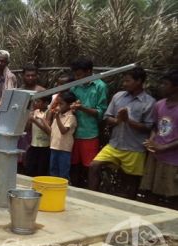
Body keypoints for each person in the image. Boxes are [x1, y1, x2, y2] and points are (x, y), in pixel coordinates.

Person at [88, 67, 155, 197]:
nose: (124, 84)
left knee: (131, 181)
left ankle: (128, 206)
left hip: (134, 148)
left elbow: (148, 127)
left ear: (139, 81)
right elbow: (107, 117)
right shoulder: (118, 96)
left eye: (127, 81)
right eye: (124, 81)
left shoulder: (149, 102)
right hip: (114, 145)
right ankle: (92, 198)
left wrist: (127, 121)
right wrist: (118, 120)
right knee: (94, 166)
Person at [69, 57, 108, 187]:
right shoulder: (74, 87)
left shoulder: (100, 86)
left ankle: (91, 195)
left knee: (90, 167)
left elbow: (101, 112)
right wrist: (73, 108)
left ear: (89, 72)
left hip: (90, 133)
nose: (77, 77)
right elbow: (69, 104)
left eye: (79, 74)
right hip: (73, 132)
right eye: (75, 74)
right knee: (73, 165)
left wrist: (82, 108)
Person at [140, 70, 178, 199]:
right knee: (151, 192)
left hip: (173, 159)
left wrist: (164, 147)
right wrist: (151, 141)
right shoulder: (159, 104)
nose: (161, 86)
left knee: (172, 194)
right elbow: (156, 127)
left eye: (165, 84)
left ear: (175, 87)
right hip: (156, 156)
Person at [19, 64, 47, 174]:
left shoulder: (42, 91)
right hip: (22, 129)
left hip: (37, 130)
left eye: (33, 75)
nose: (30, 78)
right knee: (21, 157)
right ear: (23, 76)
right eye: (28, 75)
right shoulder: (19, 90)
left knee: (34, 158)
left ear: (37, 76)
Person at [48, 92, 78, 180]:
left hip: (64, 149)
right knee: (53, 171)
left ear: (69, 105)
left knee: (63, 173)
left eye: (61, 104)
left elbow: (63, 131)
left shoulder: (71, 117)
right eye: (58, 104)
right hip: (54, 147)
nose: (59, 106)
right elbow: (52, 131)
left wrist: (57, 118)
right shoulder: (58, 115)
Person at [24, 95, 52, 177]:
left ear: (46, 103)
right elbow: (27, 129)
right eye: (35, 101)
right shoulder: (35, 112)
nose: (35, 103)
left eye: (38, 101)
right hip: (34, 145)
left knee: (41, 171)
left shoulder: (49, 112)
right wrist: (29, 120)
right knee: (30, 169)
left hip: (44, 147)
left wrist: (35, 121)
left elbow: (48, 131)